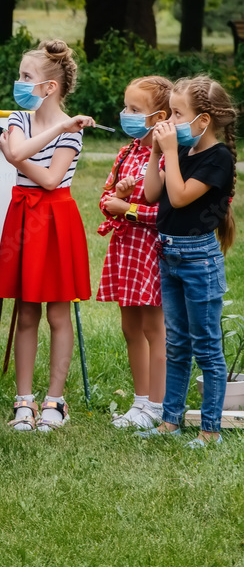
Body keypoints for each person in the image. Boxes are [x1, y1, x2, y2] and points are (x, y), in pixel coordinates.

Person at [0, 39, 95, 432]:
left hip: (54, 221)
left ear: (49, 86)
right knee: (25, 312)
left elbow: (52, 179)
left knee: (57, 311)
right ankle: (24, 401)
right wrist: (18, 153)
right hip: (22, 218)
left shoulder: (73, 131)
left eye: (25, 77)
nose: (19, 83)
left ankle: (56, 399)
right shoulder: (19, 120)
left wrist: (15, 156)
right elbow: (18, 151)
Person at [138, 75, 237, 448]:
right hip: (169, 256)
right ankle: (170, 422)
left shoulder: (218, 159)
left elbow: (178, 197)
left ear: (203, 121)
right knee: (177, 343)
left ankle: (210, 429)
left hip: (199, 260)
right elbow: (151, 194)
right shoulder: (183, 152)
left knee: (207, 346)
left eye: (177, 113)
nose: (170, 120)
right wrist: (154, 151)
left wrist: (170, 152)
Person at [97, 75, 172, 429]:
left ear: (159, 118)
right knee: (130, 327)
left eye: (134, 109)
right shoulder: (125, 153)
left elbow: (169, 214)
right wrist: (121, 197)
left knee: (154, 328)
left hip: (151, 251)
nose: (125, 114)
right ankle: (139, 402)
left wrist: (126, 209)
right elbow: (105, 199)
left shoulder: (170, 158)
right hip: (125, 249)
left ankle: (157, 405)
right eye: (125, 106)